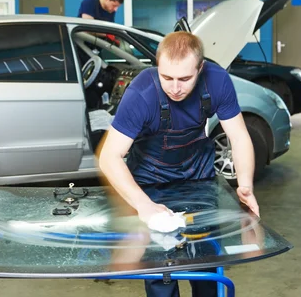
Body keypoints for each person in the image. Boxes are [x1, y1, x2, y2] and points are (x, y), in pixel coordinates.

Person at [97, 31, 259, 297]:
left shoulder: (217, 82)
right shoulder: (141, 93)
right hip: (150, 182)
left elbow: (239, 135)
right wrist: (144, 205)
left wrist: (245, 184)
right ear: (157, 67)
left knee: (206, 265)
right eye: (166, 78)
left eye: (185, 79)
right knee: (161, 271)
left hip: (199, 181)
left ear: (201, 68)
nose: (174, 88)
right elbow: (109, 156)